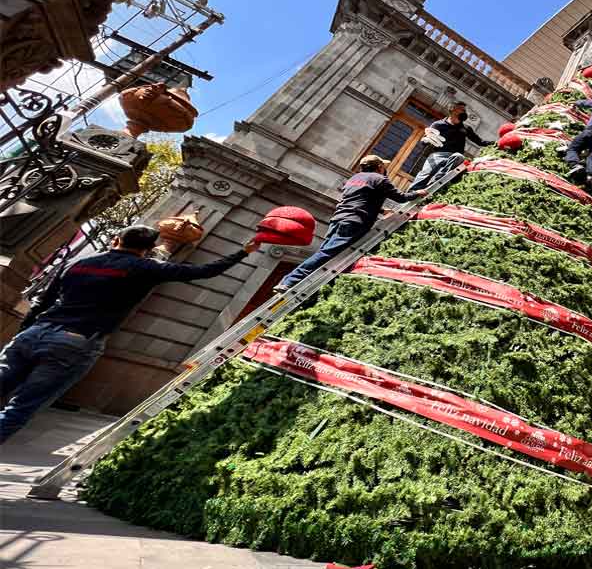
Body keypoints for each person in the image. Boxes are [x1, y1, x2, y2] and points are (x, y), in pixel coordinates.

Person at [1, 226, 260, 443]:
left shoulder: (76, 263)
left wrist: (26, 332)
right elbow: (204, 271)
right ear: (149, 248)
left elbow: (42, 302)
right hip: (75, 342)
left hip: (35, 333)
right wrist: (244, 251)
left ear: (116, 239)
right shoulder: (146, 268)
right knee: (20, 408)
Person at [274, 154, 426, 292]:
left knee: (326, 253)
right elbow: (401, 198)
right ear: (380, 167)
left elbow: (357, 198)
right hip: (355, 222)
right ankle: (290, 281)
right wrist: (417, 193)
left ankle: (298, 282)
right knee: (327, 254)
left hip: (339, 218)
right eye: (383, 167)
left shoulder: (354, 179)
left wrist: (381, 210)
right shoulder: (379, 179)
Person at [408, 101, 485, 192]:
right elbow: (427, 139)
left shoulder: (466, 128)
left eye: (465, 110)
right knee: (425, 174)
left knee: (459, 157)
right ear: (452, 109)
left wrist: (495, 143)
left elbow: (480, 142)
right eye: (461, 109)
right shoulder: (438, 124)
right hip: (438, 155)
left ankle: (433, 185)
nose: (464, 112)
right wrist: (426, 140)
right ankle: (410, 193)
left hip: (455, 158)